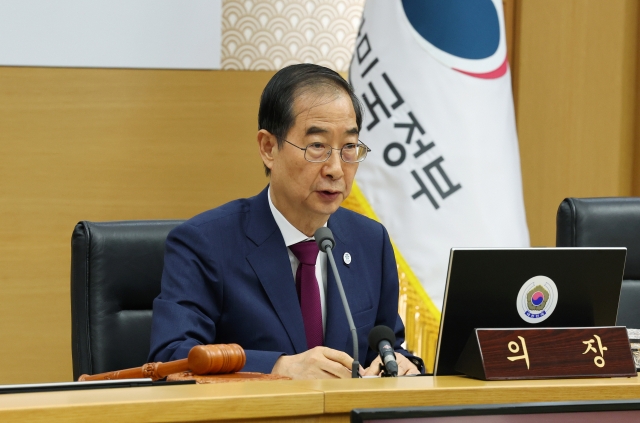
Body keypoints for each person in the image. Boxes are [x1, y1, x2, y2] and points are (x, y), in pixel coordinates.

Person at [148, 63, 423, 379]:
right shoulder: (204, 243)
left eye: (349, 147)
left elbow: (387, 344)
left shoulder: (369, 241)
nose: (336, 168)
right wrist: (278, 367)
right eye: (317, 146)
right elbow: (172, 356)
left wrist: (400, 364)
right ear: (268, 148)